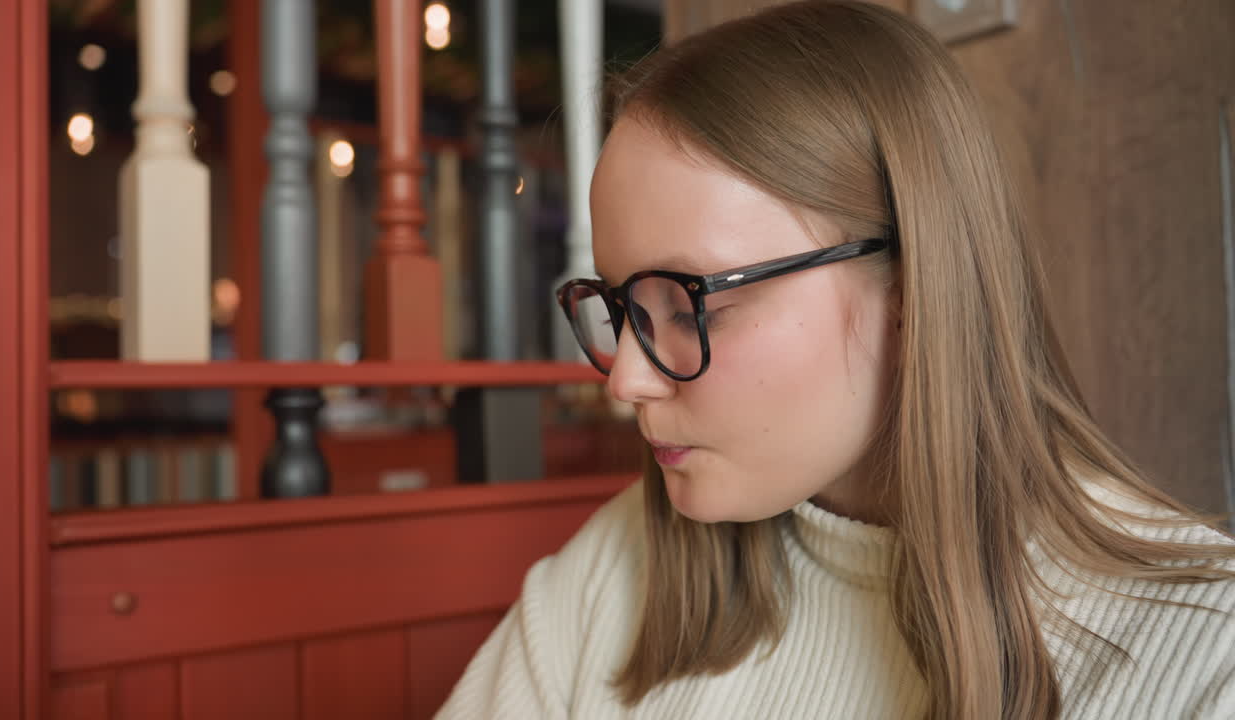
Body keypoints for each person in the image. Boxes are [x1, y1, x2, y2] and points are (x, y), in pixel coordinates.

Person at [436, 2, 1235, 718]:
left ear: (912, 287)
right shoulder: (609, 575)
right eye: (621, 309)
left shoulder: (1204, 655)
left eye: (692, 306)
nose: (626, 380)